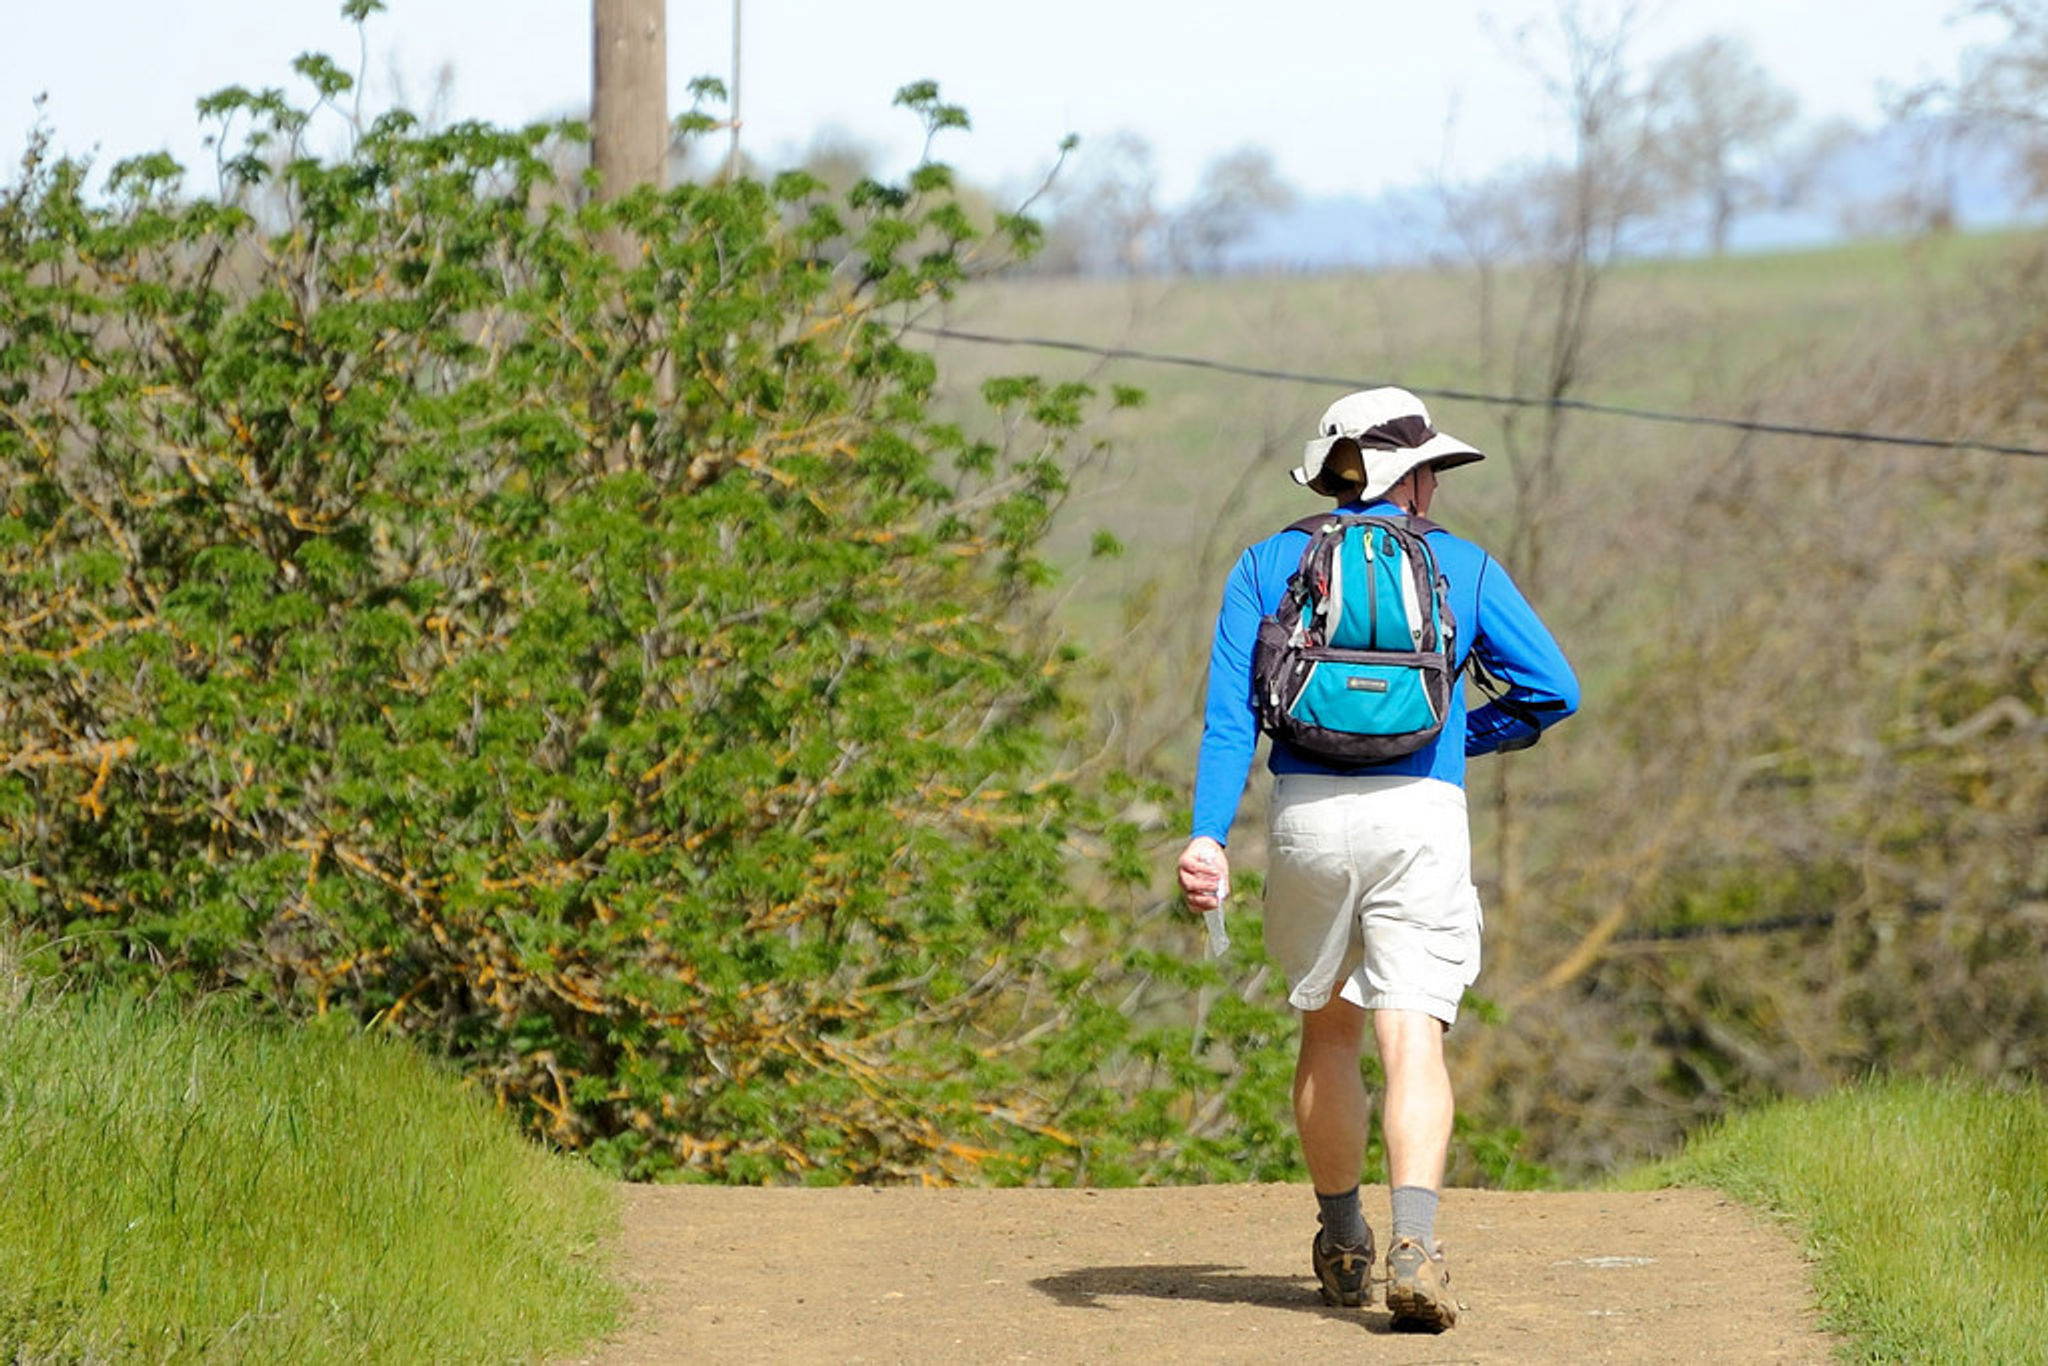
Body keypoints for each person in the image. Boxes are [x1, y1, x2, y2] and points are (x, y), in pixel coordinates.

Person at [1177, 386, 1578, 1331]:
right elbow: (1552, 690)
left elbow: (1233, 717)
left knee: (1328, 1031)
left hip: (1306, 815)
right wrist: (1451, 741)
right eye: (1432, 467)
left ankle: (1342, 1236)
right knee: (1412, 1038)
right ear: (1414, 479)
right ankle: (1414, 1245)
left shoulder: (1269, 561)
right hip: (1421, 815)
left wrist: (1207, 833)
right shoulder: (1462, 566)